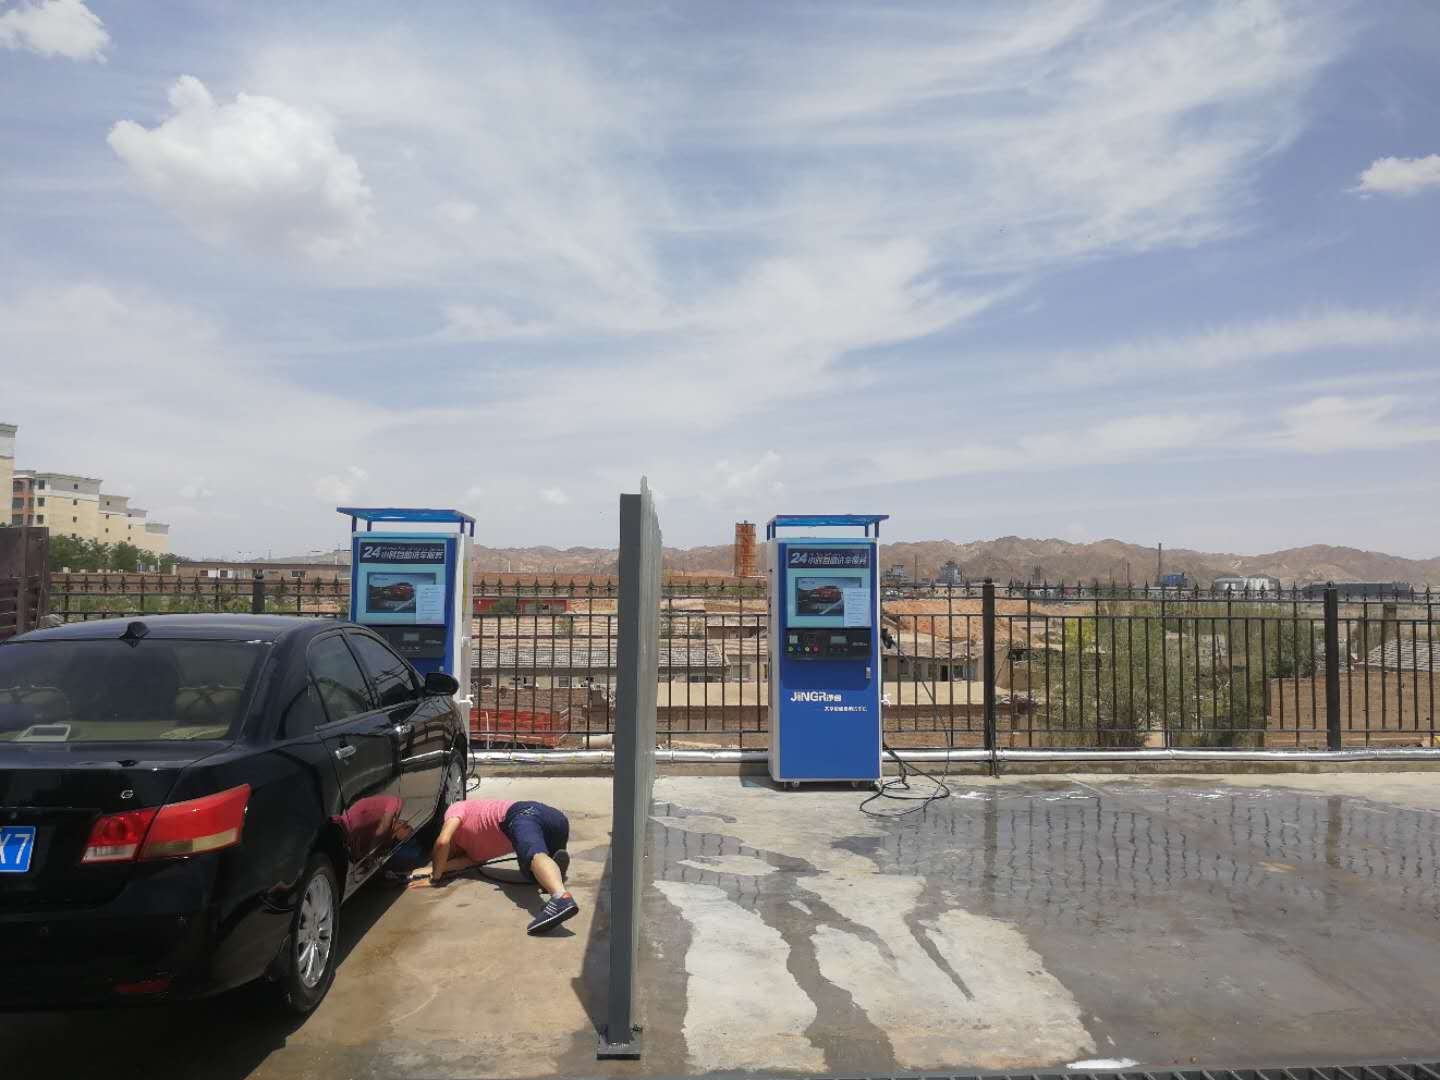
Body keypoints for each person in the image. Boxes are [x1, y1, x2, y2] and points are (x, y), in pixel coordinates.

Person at [421, 798, 578, 935]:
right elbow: (464, 861)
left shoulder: (455, 810)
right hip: (556, 821)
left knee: (533, 855)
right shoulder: (476, 854)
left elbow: (442, 842)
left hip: (520, 814)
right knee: (531, 872)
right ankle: (554, 869)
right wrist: (434, 869)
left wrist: (435, 877)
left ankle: (560, 897)